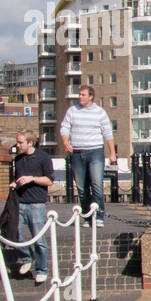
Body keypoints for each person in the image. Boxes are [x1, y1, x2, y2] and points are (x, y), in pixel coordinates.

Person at [60, 85, 117, 226]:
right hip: (77, 152)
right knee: (81, 187)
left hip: (95, 151)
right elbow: (65, 127)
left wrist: (112, 153)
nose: (80, 97)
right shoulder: (72, 111)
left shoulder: (100, 112)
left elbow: (107, 133)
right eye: (79, 94)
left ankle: (99, 216)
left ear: (91, 96)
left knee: (96, 184)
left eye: (83, 95)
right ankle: (87, 216)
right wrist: (65, 142)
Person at [11, 130, 54, 283]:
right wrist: (14, 184)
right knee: (12, 232)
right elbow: (17, 179)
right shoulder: (18, 159)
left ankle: (42, 269)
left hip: (36, 204)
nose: (17, 145)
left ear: (30, 143)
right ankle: (26, 256)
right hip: (20, 202)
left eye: (20, 142)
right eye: (17, 141)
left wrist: (32, 179)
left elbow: (49, 180)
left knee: (39, 239)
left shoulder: (44, 157)